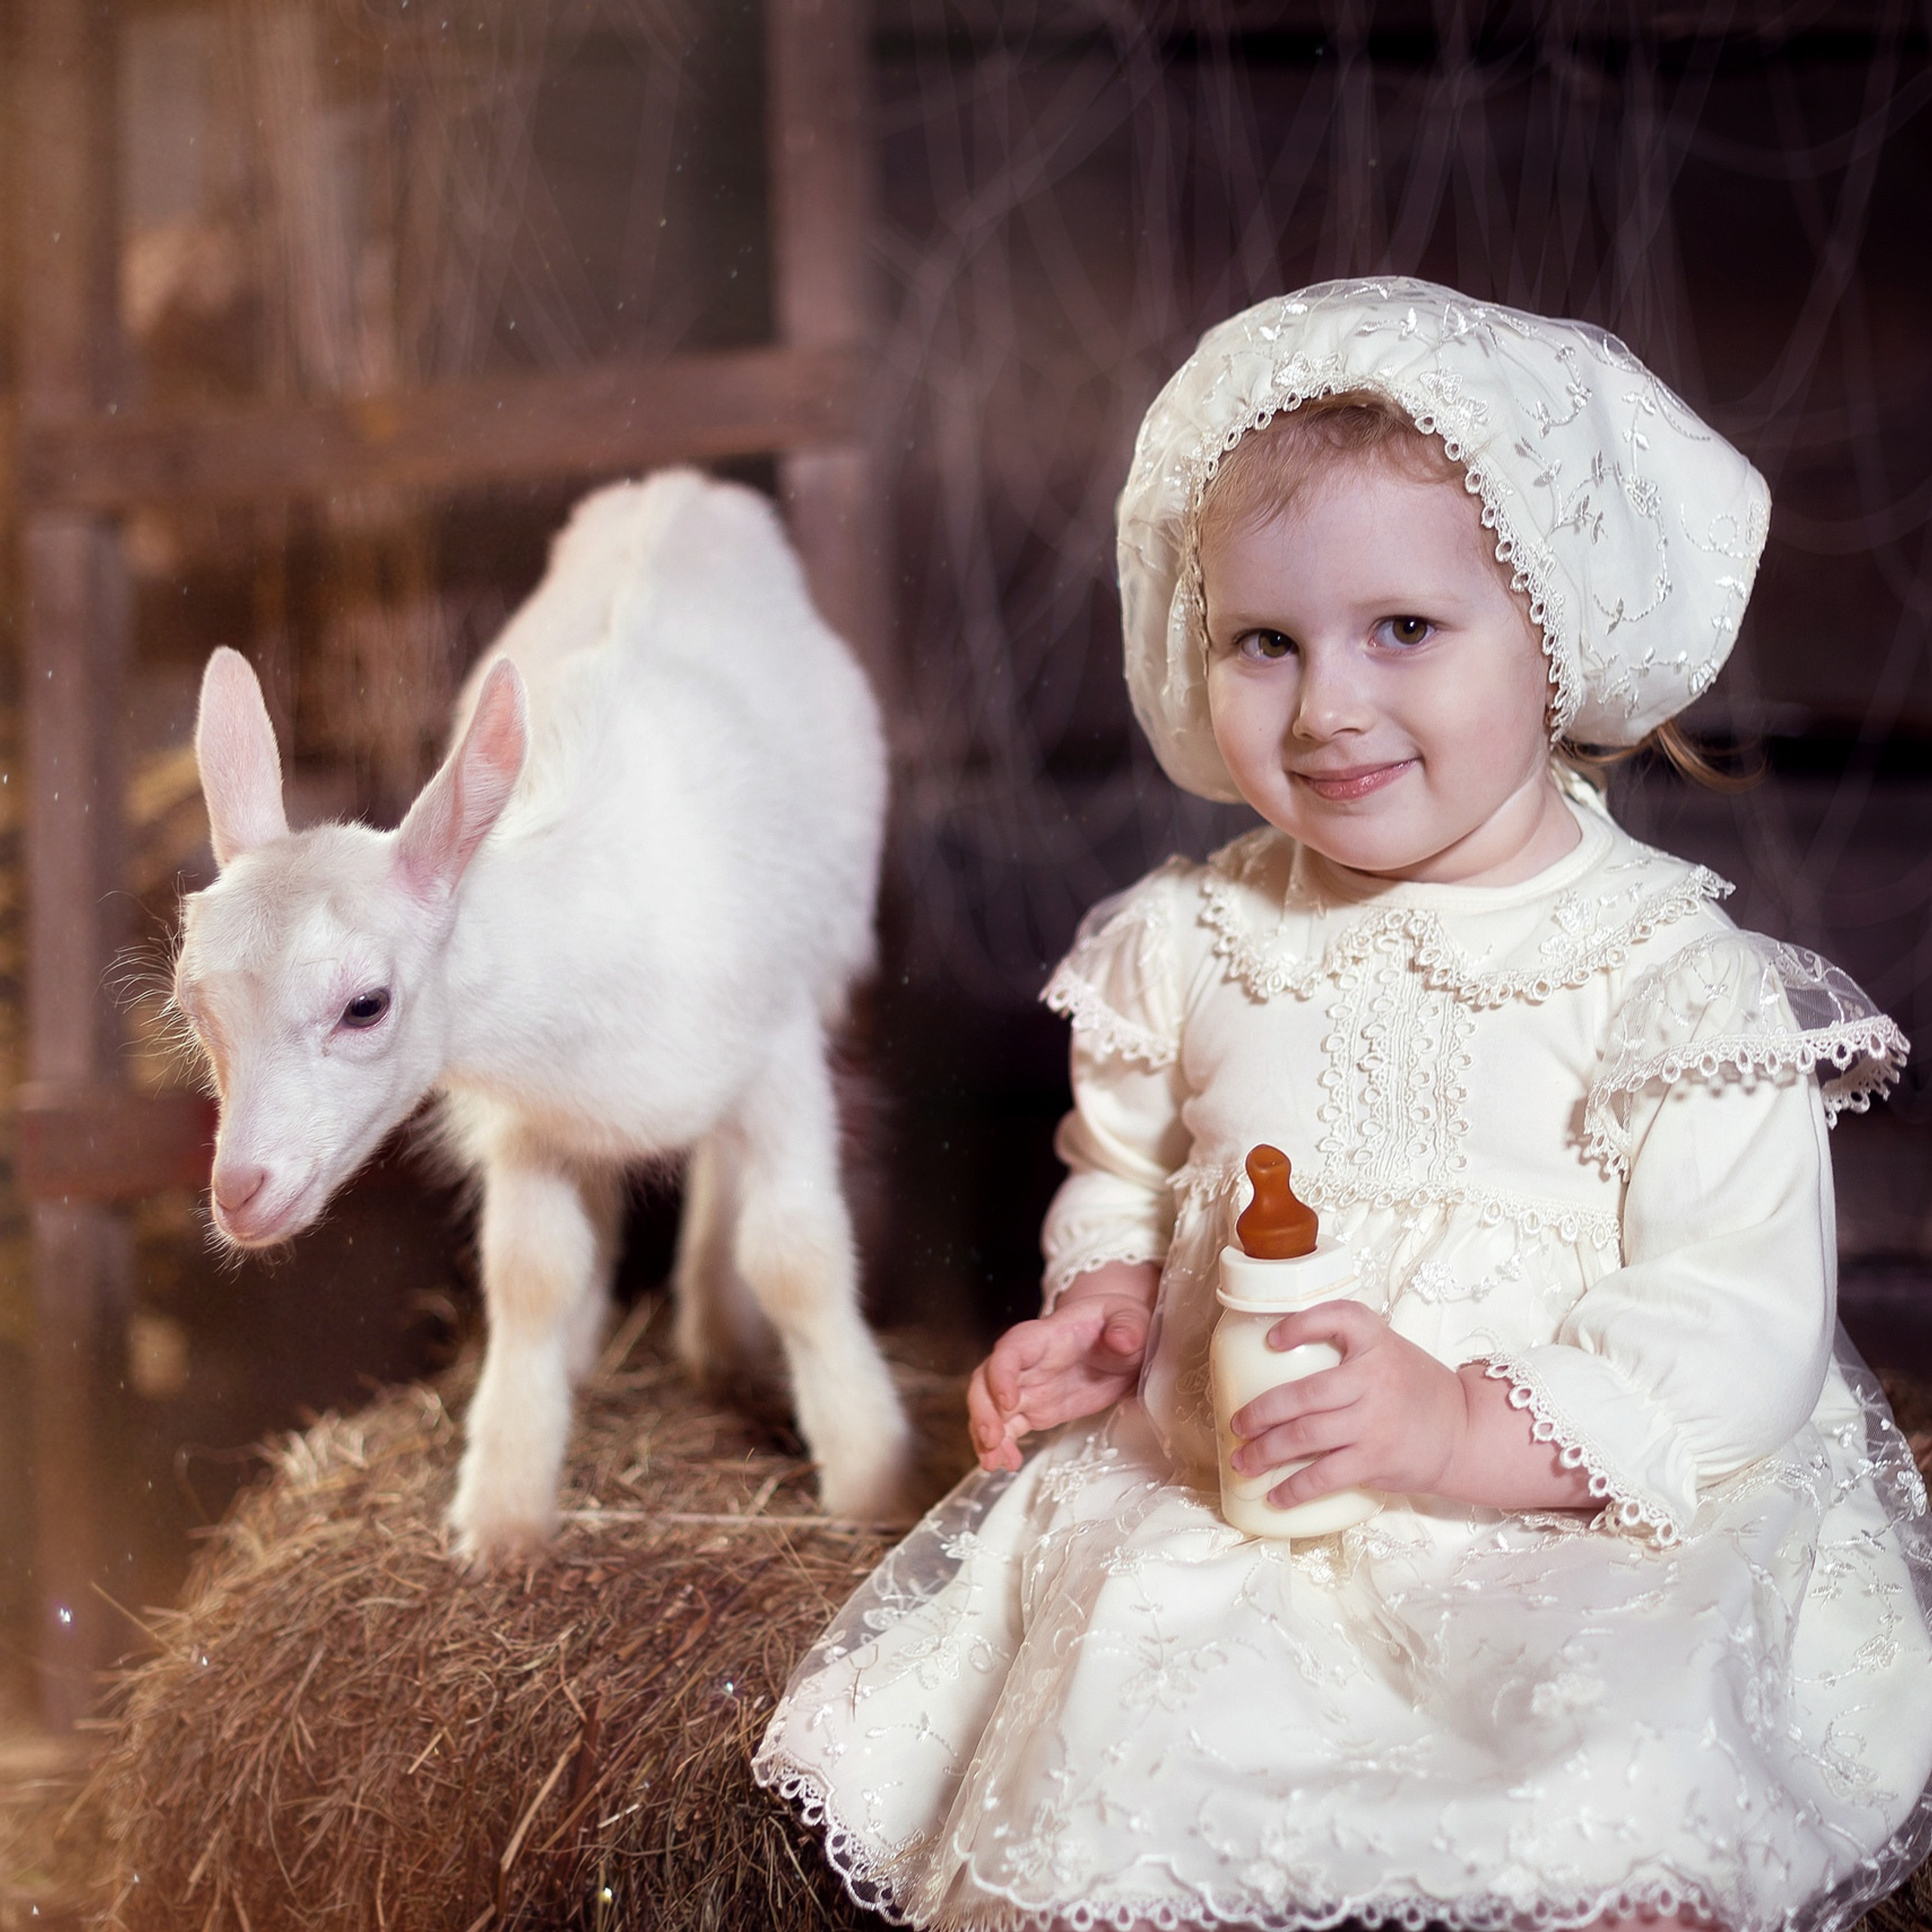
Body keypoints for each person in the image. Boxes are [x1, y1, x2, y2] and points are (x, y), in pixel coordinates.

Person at [754, 279, 1932, 1932]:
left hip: (1564, 1506)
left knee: (1604, 1782)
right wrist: (1101, 1304)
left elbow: (1735, 1315)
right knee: (1135, 1755)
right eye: (1263, 641)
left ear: (1553, 636)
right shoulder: (1192, 941)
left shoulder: (1662, 973)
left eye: (1402, 630)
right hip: (1238, 1495)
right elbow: (1125, 1164)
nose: (1324, 708)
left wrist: (1462, 1426)